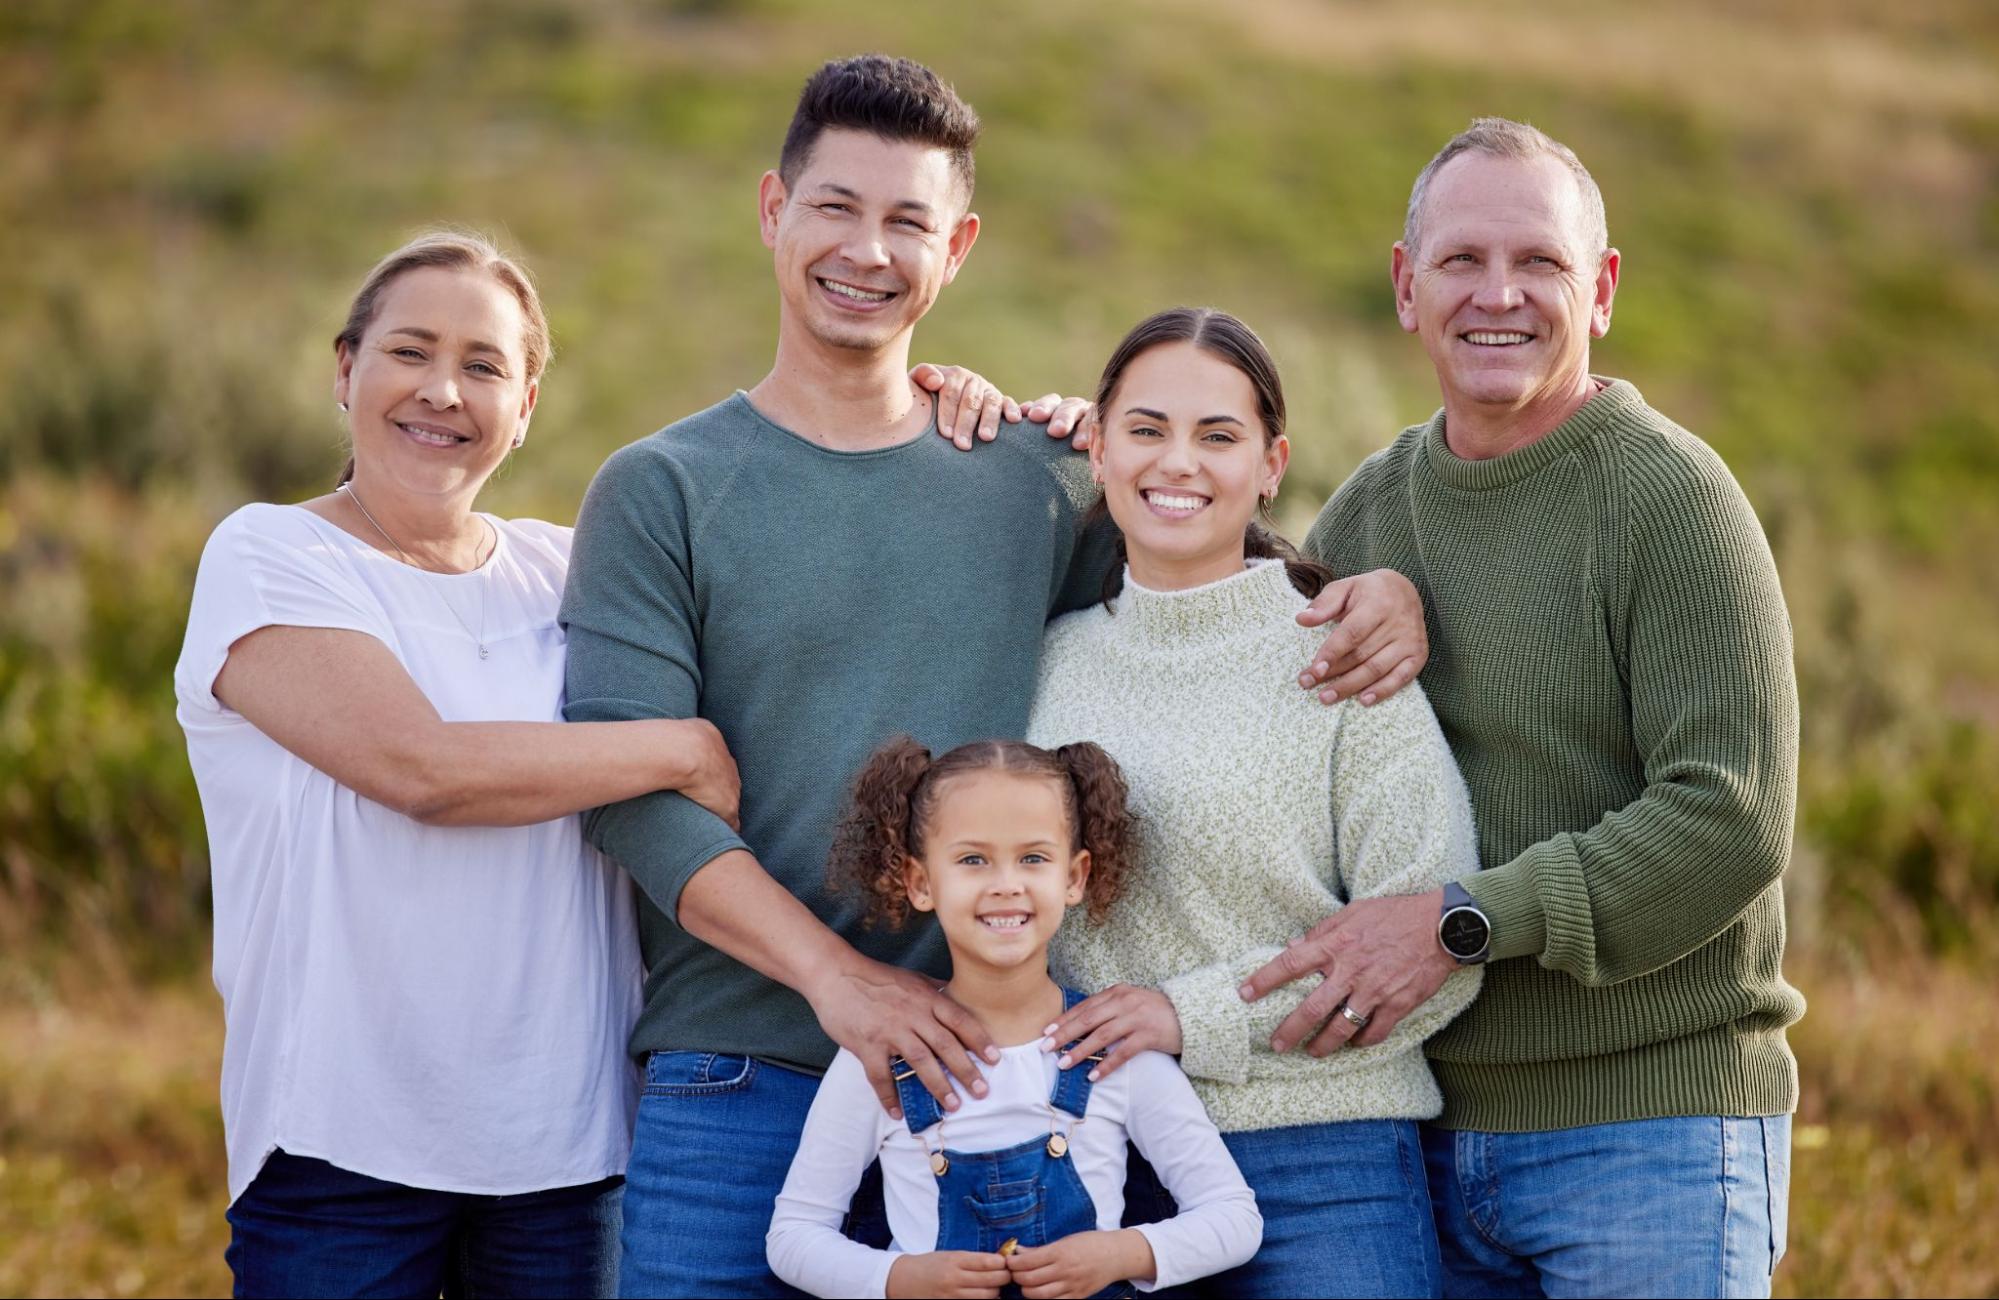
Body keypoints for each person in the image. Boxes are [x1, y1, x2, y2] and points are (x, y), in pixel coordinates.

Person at [559, 54, 1428, 1296]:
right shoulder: (663, 488)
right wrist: (839, 982)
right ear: (771, 210)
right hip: (744, 1074)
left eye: (907, 221)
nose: (867, 249)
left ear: (956, 247)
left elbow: (1193, 573)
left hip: (1015, 1093)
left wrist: (1370, 586)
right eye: (835, 208)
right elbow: (629, 789)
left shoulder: (1032, 476)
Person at [173, 229, 1025, 1298]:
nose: (442, 390)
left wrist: (957, 409)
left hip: (567, 1153)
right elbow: (422, 768)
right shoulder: (271, 557)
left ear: (525, 405)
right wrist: (672, 746)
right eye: (409, 352)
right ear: (345, 369)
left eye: (484, 366)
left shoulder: (556, 568)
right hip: (343, 1142)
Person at [1243, 118, 1802, 1298]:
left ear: (1598, 291)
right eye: (1460, 261)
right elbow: (1225, 664)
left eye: (1538, 262)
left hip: (1650, 1129)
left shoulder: (1670, 498)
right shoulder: (1370, 512)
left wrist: (1460, 920)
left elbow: (1730, 819)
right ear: (1406, 286)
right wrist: (1057, 440)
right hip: (1422, 1146)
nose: (1498, 294)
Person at [1027, 308, 1483, 1298]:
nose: (1176, 462)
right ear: (1098, 445)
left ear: (1271, 463)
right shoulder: (1045, 670)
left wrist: (1183, 1016)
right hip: (1103, 1157)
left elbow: (1436, 942)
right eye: (1146, 429)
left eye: (1217, 436)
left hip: (1324, 1162)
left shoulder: (1340, 650)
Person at [767, 737, 1263, 1299]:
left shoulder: (1116, 1051)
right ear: (922, 882)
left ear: (1074, 877)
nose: (1006, 882)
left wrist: (1120, 1253)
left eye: (1033, 858)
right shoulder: (883, 1061)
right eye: (973, 859)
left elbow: (1233, 1218)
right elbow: (794, 1237)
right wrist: (897, 1277)